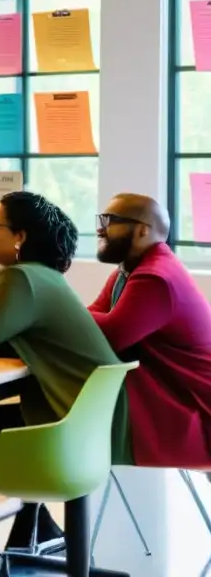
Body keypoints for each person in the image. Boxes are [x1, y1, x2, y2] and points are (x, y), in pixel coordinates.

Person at [0, 191, 131, 551]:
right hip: (88, 430)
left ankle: (31, 520)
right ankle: (37, 525)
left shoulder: (22, 280)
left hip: (59, 435)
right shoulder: (42, 277)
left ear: (20, 237)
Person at [90, 193, 211, 468]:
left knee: (70, 419)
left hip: (196, 416)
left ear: (143, 230)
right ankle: (34, 505)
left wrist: (55, 307)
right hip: (169, 399)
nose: (101, 227)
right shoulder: (129, 271)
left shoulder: (155, 277)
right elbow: (95, 315)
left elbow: (109, 337)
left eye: (111, 220)